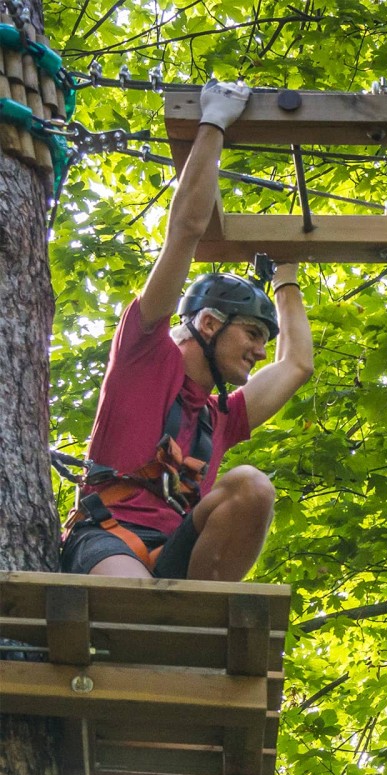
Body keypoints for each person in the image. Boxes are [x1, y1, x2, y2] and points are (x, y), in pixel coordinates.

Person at [57, 82, 314, 581]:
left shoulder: (221, 418)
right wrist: (213, 124)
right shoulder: (143, 354)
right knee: (130, 599)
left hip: (177, 550)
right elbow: (186, 232)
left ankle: (196, 615)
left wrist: (286, 276)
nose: (261, 351)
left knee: (252, 487)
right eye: (253, 335)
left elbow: (297, 364)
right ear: (211, 325)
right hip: (109, 535)